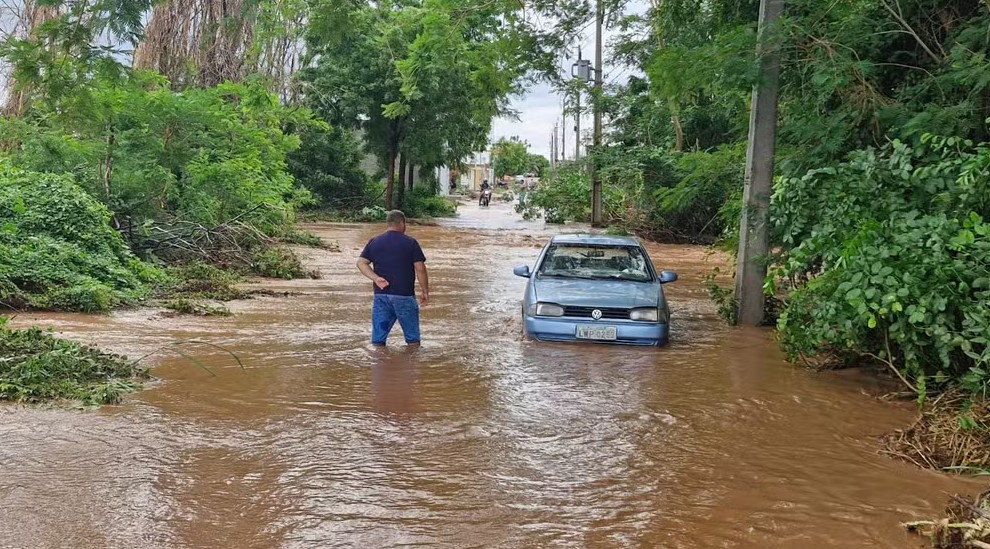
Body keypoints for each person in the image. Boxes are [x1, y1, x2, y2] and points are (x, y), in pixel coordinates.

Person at [357, 210, 430, 346]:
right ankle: (412, 360)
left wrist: (376, 278)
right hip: (404, 295)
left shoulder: (375, 241)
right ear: (402, 223)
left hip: (381, 295)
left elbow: (361, 263)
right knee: (413, 341)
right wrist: (425, 291)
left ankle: (378, 359)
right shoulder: (410, 242)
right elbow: (420, 269)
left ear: (388, 223)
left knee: (378, 341)